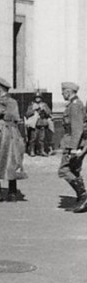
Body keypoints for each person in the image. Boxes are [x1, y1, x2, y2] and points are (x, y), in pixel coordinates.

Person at [57, 82, 87, 212]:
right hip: (74, 143)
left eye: (63, 91)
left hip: (74, 144)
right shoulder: (74, 105)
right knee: (74, 171)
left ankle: (83, 197)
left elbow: (77, 129)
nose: (62, 94)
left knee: (64, 170)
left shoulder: (75, 106)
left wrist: (74, 148)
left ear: (68, 92)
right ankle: (82, 199)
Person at [25, 90, 52, 157]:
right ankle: (32, 151)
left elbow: (49, 112)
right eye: (36, 97)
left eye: (39, 97)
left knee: (41, 139)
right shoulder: (32, 105)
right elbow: (27, 113)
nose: (38, 99)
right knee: (33, 139)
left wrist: (44, 109)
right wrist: (34, 109)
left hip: (42, 123)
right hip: (34, 124)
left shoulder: (44, 104)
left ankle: (42, 151)